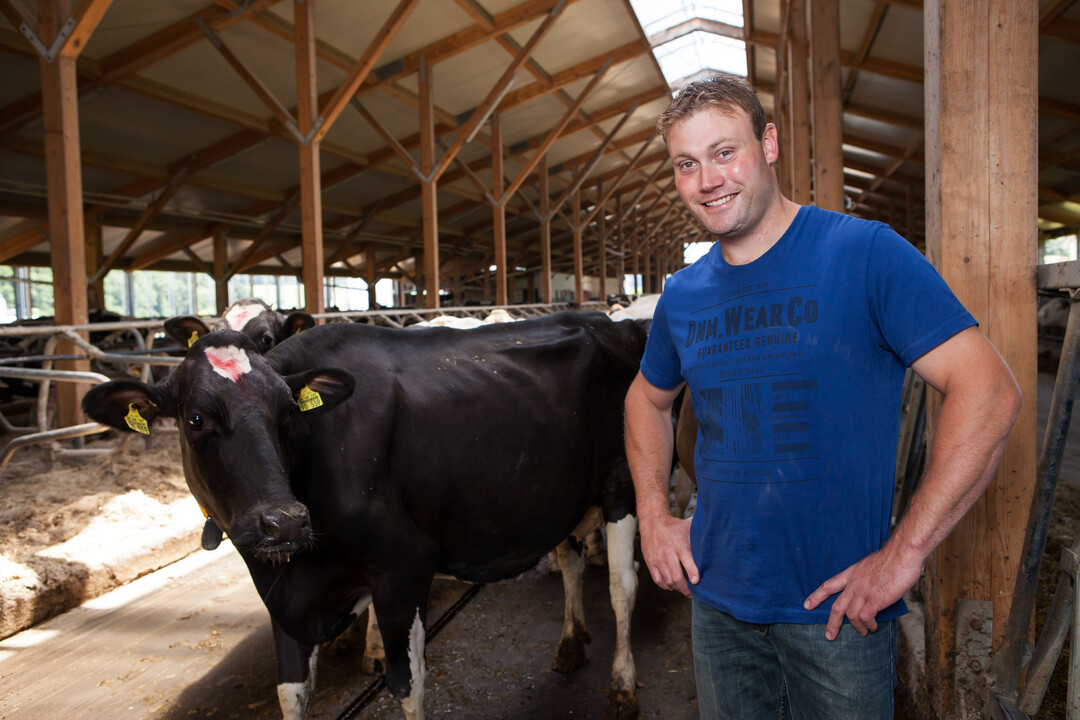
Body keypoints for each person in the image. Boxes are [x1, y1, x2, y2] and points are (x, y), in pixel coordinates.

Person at [623, 73, 1022, 719]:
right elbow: (646, 400)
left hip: (837, 613)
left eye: (726, 152)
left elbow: (989, 390)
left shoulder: (864, 253)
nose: (708, 180)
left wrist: (905, 554)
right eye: (686, 164)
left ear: (770, 143)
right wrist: (653, 515)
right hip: (718, 606)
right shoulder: (684, 295)